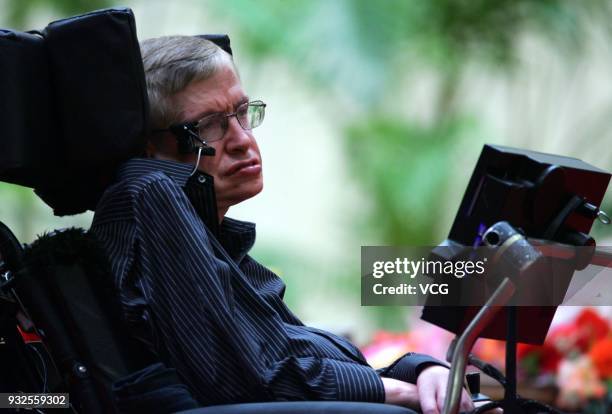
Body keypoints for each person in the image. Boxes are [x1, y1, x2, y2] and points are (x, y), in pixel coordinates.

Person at [90, 35, 476, 413]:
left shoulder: (213, 237)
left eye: (242, 112)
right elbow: (247, 381)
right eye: (207, 126)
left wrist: (418, 370)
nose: (242, 140)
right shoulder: (150, 192)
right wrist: (396, 393)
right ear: (149, 149)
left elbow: (291, 355)